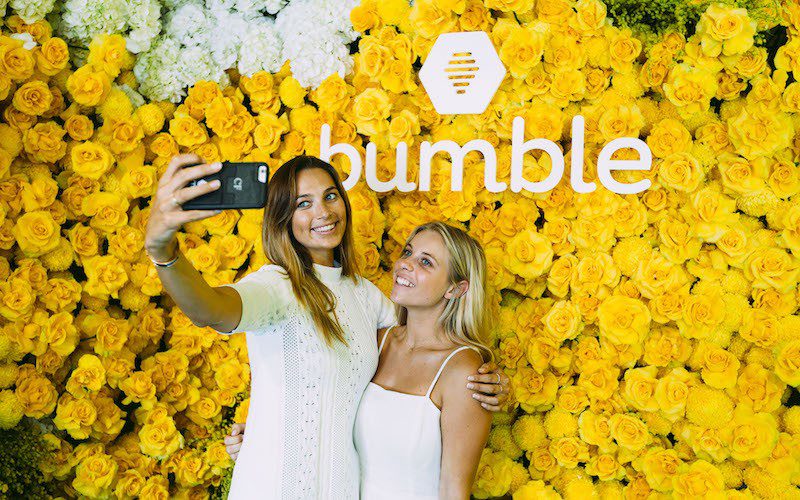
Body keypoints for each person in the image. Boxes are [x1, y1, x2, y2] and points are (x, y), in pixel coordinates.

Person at [144, 154, 509, 499]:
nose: (323, 211)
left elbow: (425, 342)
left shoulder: (366, 298)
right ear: (283, 217)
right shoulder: (276, 286)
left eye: (330, 196)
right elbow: (210, 309)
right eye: (303, 203)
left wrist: (487, 382)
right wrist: (165, 253)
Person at [228, 222, 496, 499]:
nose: (405, 264)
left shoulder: (464, 370)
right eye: (408, 252)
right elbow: (325, 407)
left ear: (456, 288)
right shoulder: (374, 342)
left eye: (426, 262)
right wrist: (263, 436)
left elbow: (454, 490)